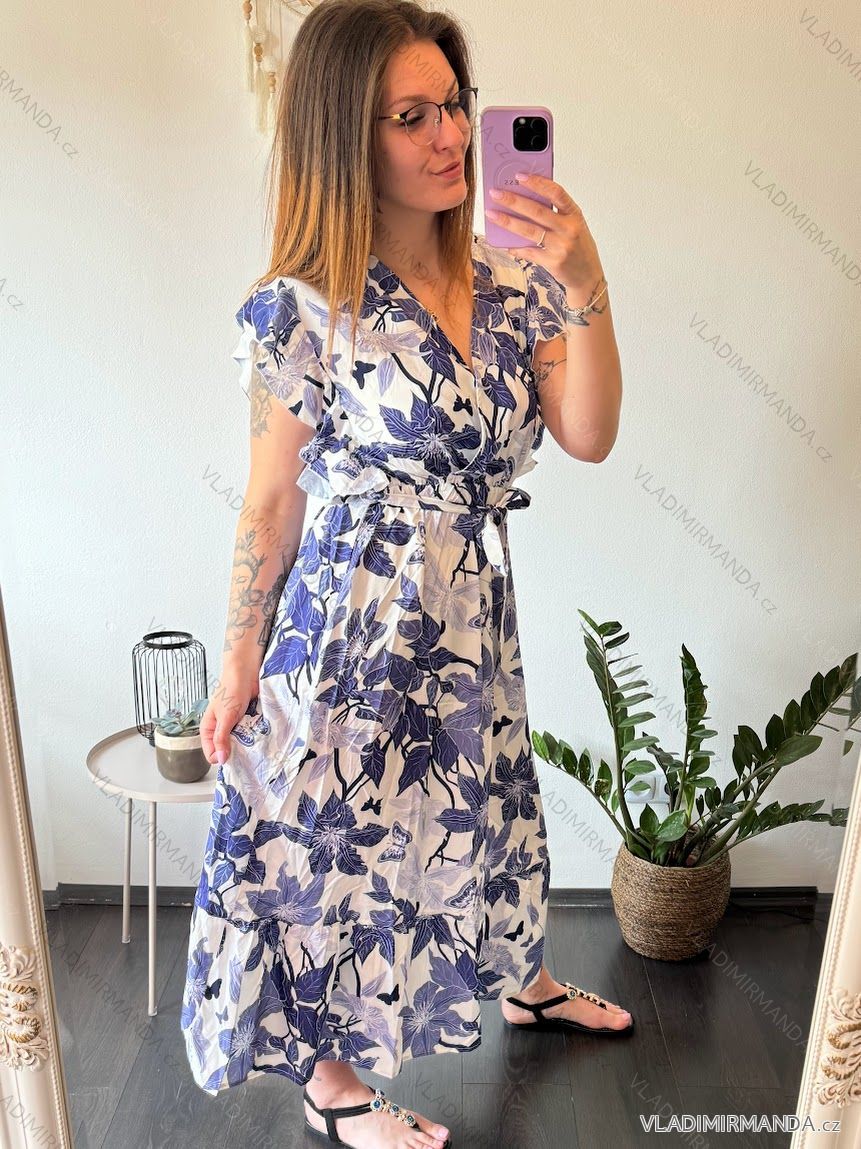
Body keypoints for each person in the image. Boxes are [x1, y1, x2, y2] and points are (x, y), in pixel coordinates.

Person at [181, 1, 629, 1146]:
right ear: (348, 135)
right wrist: (238, 656)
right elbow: (271, 500)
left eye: (456, 106)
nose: (451, 136)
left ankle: (523, 980)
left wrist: (587, 279)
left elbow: (588, 434)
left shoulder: (516, 281)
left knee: (491, 798)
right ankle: (332, 1083)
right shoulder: (303, 306)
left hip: (472, 610)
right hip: (353, 620)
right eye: (413, 115)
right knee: (342, 832)